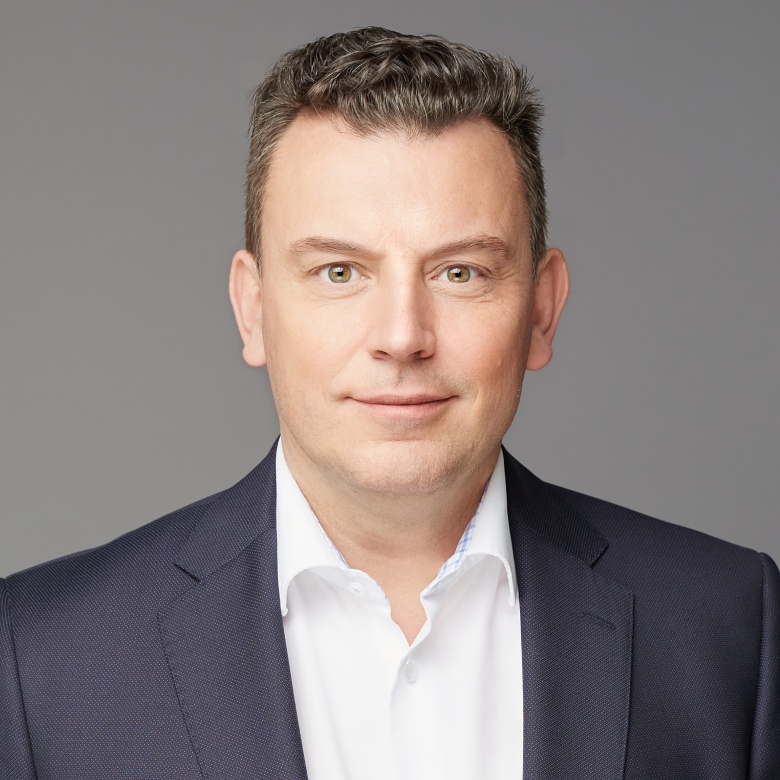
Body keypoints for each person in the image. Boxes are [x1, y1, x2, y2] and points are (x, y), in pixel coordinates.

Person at [1, 26, 777, 780]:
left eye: (461, 272)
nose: (402, 337)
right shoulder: (39, 658)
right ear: (253, 309)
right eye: (339, 272)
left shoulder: (731, 627)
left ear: (542, 310)